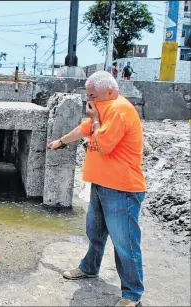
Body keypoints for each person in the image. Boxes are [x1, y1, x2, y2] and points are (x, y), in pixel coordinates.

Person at [47, 70, 146, 307]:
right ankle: (89, 267)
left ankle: (132, 294)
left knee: (126, 243)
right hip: (101, 185)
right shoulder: (102, 107)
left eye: (93, 94)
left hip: (121, 189)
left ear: (110, 91)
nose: (89, 100)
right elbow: (84, 129)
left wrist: (96, 121)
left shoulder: (119, 110)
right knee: (95, 232)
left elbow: (103, 146)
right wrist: (61, 141)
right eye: (87, 94)